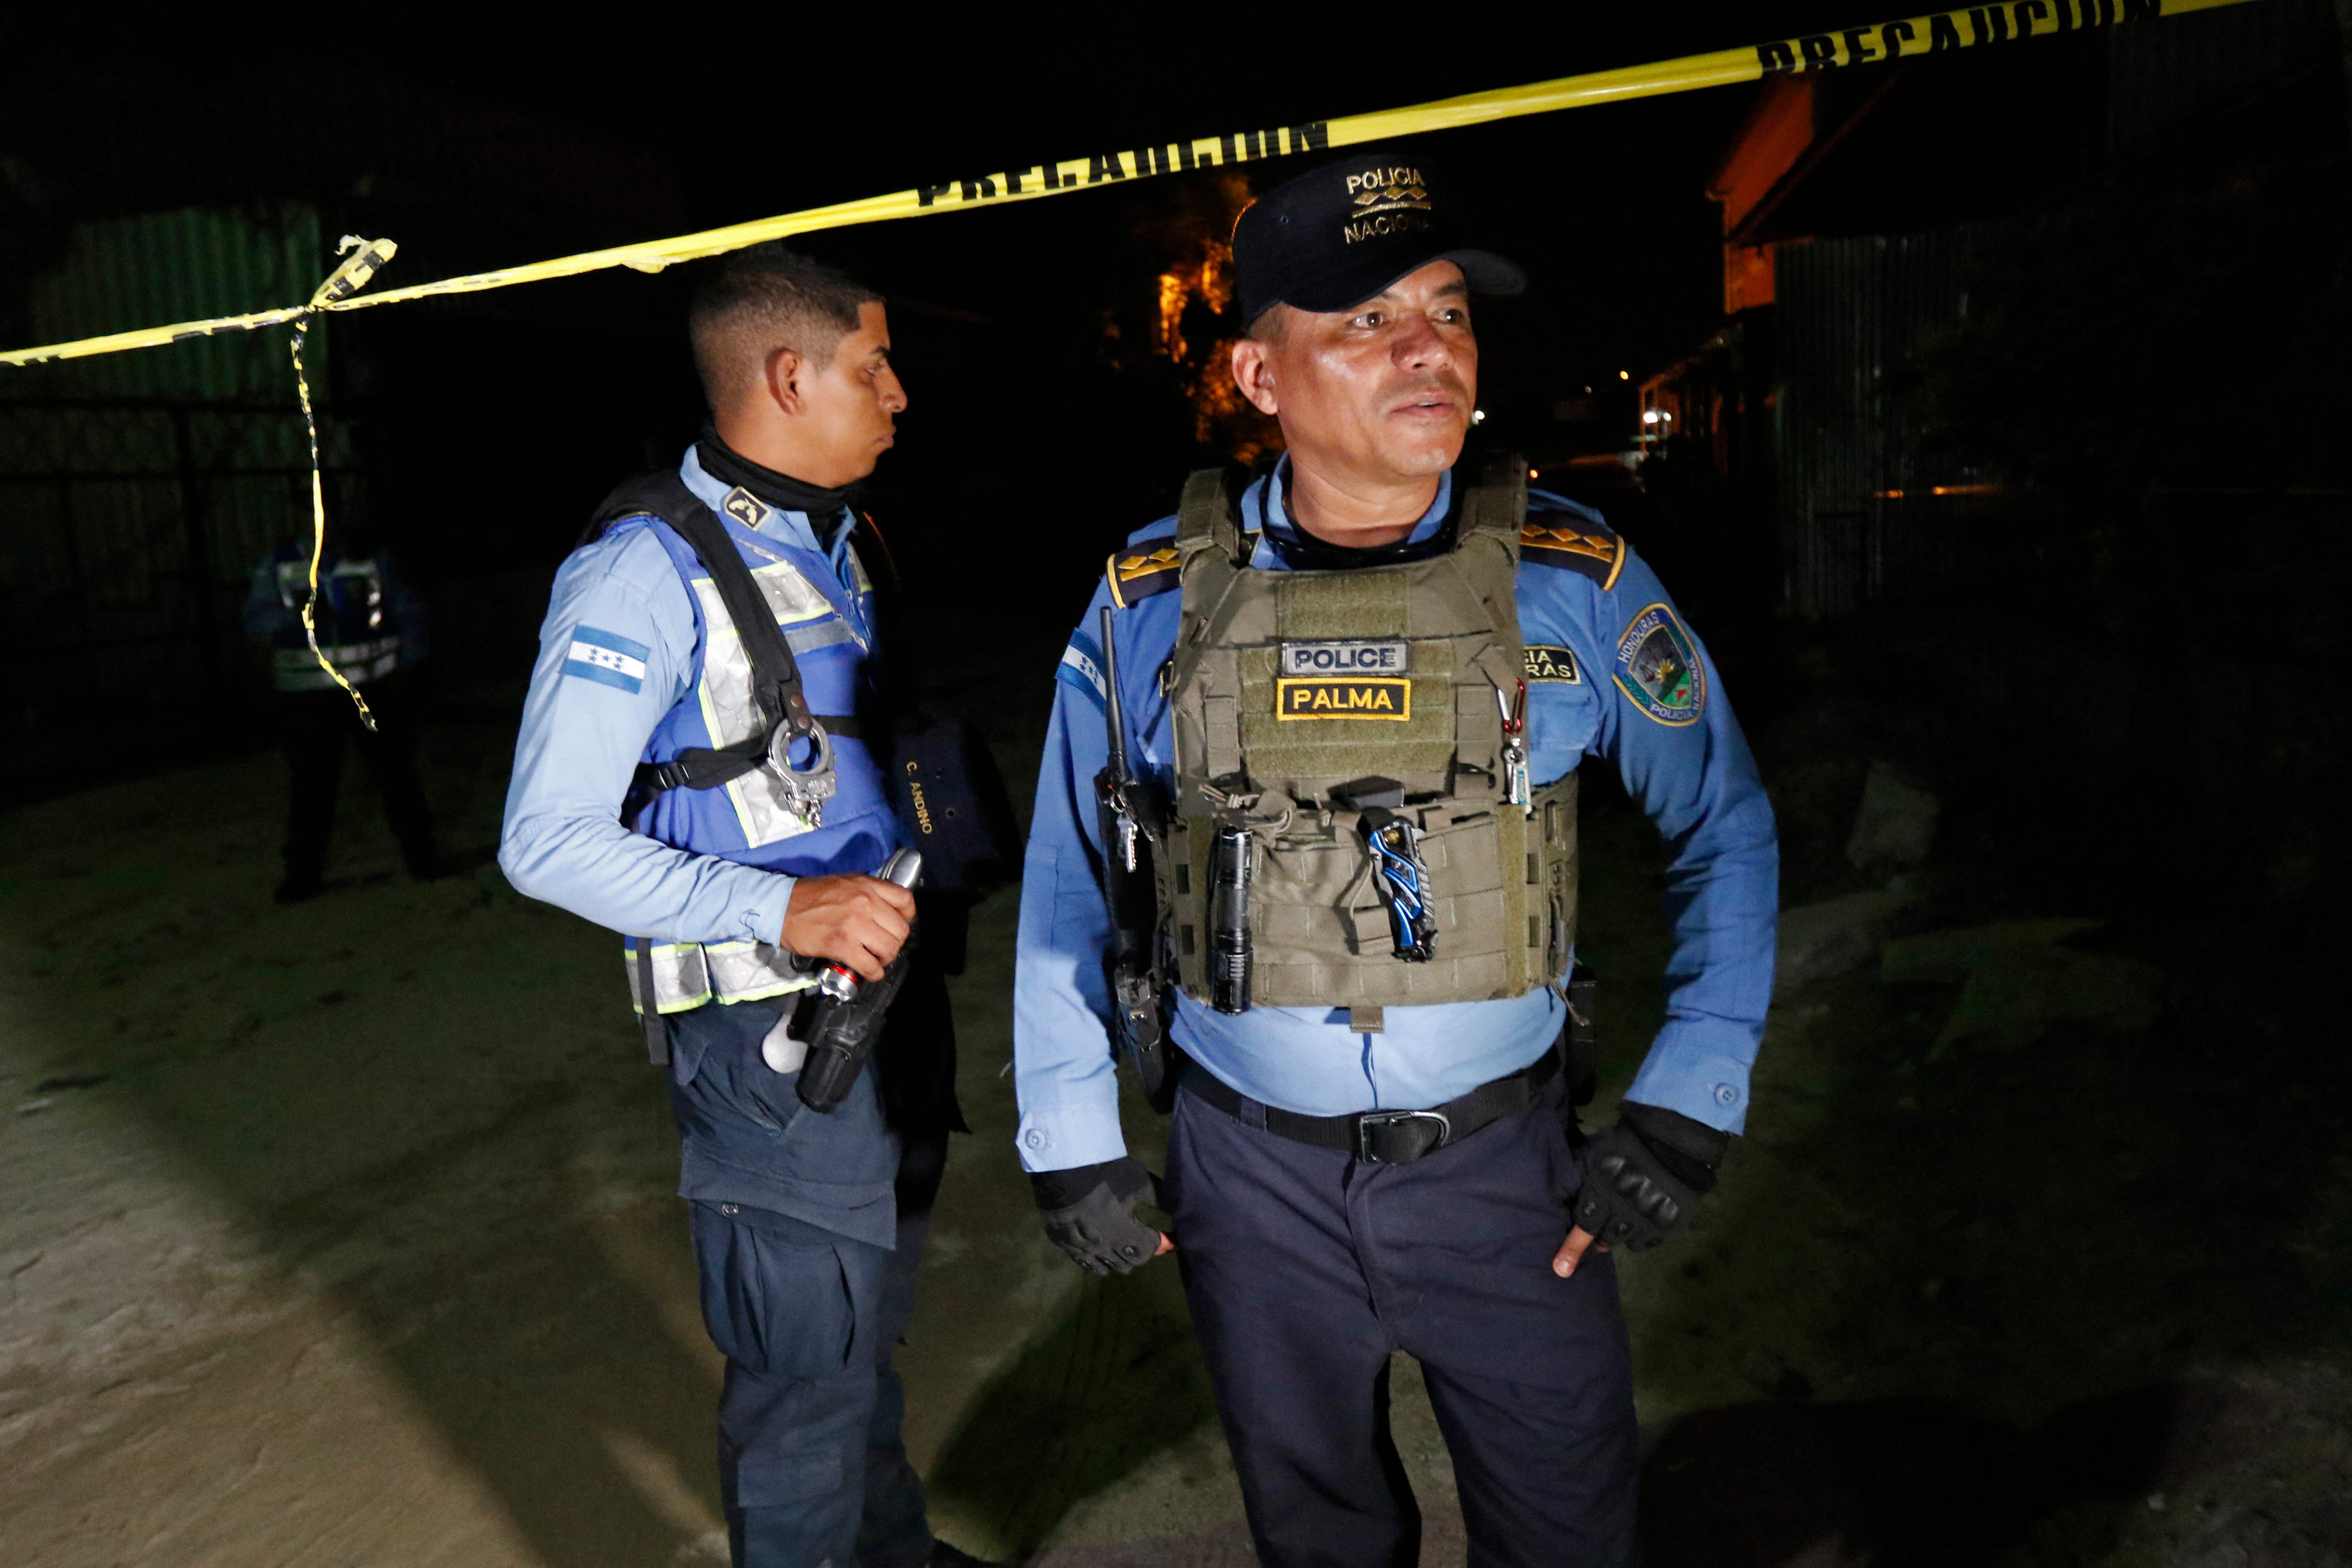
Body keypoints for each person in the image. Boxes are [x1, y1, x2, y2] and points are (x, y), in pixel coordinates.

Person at [1012, 153, 1779, 1567]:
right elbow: (1070, 866)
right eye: (1365, 320)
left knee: (1566, 1532)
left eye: (1446, 310)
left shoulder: (1576, 578)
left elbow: (1720, 823)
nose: (1429, 345)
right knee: (1318, 1536)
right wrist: (1066, 1130)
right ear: (1257, 374)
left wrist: (1691, 1094)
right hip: (1249, 1182)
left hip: (1505, 1175)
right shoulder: (1142, 600)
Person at [500, 243, 991, 1568]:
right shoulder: (641, 572)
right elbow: (542, 843)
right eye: (875, 365)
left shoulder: (841, 538)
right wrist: (782, 912)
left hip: (888, 1012)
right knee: (799, 1387)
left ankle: (891, 1549)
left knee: (860, 1333)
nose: (899, 395)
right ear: (789, 374)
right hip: (774, 1052)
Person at [242, 518, 437, 903]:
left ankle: (424, 860)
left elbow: (409, 610)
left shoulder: (372, 560)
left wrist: (408, 663)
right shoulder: (279, 565)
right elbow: (256, 620)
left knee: (396, 776)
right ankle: (302, 875)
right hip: (307, 695)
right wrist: (302, 615)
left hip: (371, 689)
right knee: (312, 787)